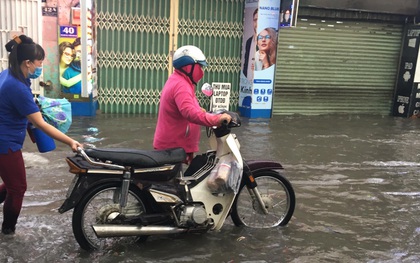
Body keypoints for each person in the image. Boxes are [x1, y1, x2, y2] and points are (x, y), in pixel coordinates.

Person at [0, 35, 83, 235]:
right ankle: (8, 233)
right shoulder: (17, 87)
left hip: (5, 138)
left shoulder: (8, 74)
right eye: (39, 63)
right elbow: (41, 123)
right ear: (27, 63)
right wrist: (70, 141)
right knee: (18, 188)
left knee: (12, 184)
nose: (40, 67)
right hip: (5, 143)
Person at [153, 45, 232, 164]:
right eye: (199, 66)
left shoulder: (180, 81)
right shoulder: (181, 85)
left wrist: (201, 110)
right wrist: (217, 119)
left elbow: (186, 107)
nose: (202, 71)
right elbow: (190, 113)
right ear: (189, 67)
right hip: (173, 148)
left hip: (176, 146)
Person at [242, 8, 258, 80]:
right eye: (255, 20)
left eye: (259, 20)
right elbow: (245, 64)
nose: (257, 23)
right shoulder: (249, 41)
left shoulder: (267, 43)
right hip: (248, 84)